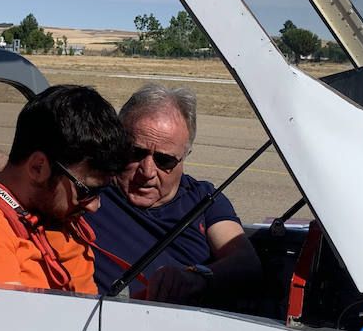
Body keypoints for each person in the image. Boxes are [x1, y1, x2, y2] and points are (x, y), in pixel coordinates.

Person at [0, 84, 129, 293]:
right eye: (86, 191)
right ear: (38, 167)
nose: (95, 206)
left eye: (101, 192)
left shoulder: (62, 220)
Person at [86, 84, 262, 306]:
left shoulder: (203, 199)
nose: (147, 171)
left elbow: (245, 261)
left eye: (164, 160)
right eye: (135, 153)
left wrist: (197, 278)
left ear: (185, 155)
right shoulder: (87, 192)